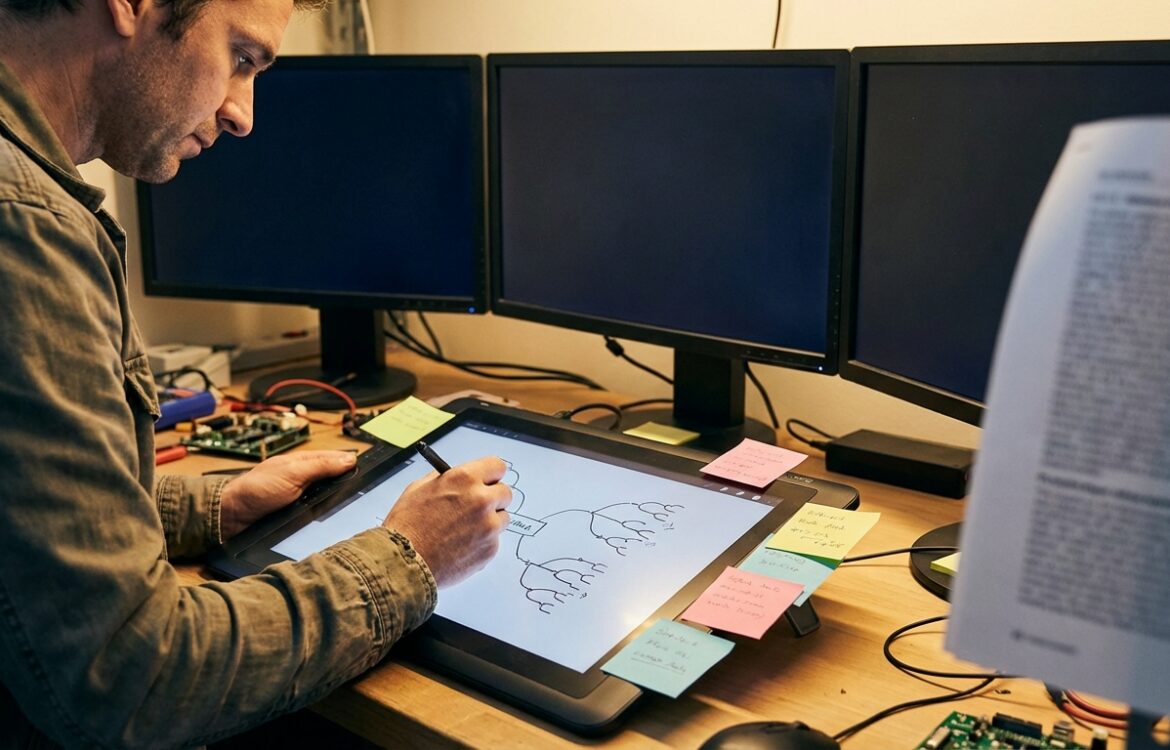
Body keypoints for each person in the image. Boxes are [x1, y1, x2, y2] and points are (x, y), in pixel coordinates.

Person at [0, 0, 512, 746]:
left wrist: (215, 507)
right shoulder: (22, 225)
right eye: (242, 58)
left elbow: (25, 523)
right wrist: (411, 556)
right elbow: (135, 677)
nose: (242, 115)